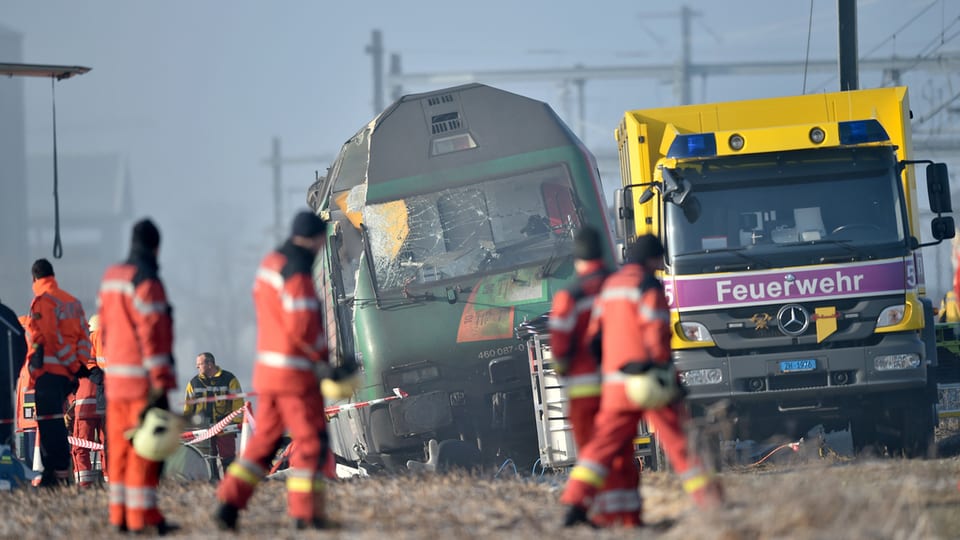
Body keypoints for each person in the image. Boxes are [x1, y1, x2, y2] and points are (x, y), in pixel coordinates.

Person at [560, 235, 723, 527]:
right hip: (650, 382)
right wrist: (667, 376)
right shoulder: (648, 286)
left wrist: (611, 368)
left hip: (615, 386)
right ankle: (713, 504)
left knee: (601, 447)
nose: (660, 267)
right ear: (652, 259)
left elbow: (595, 337)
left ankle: (574, 501)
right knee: (680, 445)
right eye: (659, 262)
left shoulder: (610, 286)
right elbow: (657, 335)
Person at [215, 211, 359, 531]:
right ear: (316, 238)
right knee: (311, 445)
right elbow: (304, 327)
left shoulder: (271, 264)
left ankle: (229, 502)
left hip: (268, 373)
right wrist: (327, 368)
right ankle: (305, 514)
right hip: (296, 377)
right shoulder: (298, 273)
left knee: (263, 443)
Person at [98, 218, 178, 535]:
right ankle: (140, 519)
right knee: (144, 454)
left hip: (114, 382)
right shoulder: (147, 281)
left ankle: (119, 517)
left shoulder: (111, 278)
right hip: (141, 384)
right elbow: (154, 337)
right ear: (156, 247)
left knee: (117, 452)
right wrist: (160, 382)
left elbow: (103, 328)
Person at [548, 226, 631, 525]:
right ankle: (624, 515)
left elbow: (559, 344)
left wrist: (563, 369)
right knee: (619, 451)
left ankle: (597, 511)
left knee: (592, 454)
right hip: (620, 385)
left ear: (576, 258)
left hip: (584, 389)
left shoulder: (570, 294)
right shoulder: (619, 285)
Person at [25, 258, 96, 487]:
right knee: (55, 423)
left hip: (50, 375)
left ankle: (56, 476)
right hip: (68, 378)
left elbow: (51, 338)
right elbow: (85, 339)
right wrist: (78, 367)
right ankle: (55, 474)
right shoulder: (73, 302)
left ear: (35, 278)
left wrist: (71, 365)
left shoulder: (43, 302)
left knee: (49, 425)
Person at [183, 351, 243, 475]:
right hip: (202, 429)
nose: (197, 367)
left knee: (228, 458)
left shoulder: (229, 379)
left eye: (199, 364)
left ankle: (229, 481)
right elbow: (188, 407)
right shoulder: (193, 383)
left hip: (225, 426)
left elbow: (238, 402)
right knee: (206, 458)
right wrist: (186, 426)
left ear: (210, 364)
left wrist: (237, 423)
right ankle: (212, 481)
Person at [72, 314, 106, 487]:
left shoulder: (83, 348)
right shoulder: (106, 345)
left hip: (84, 408)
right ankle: (111, 481)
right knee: (107, 446)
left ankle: (83, 485)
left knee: (80, 447)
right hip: (105, 406)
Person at [0, 300, 27, 449]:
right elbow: (21, 348)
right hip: (5, 386)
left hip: (5, 385)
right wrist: (13, 374)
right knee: (4, 438)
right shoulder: (8, 316)